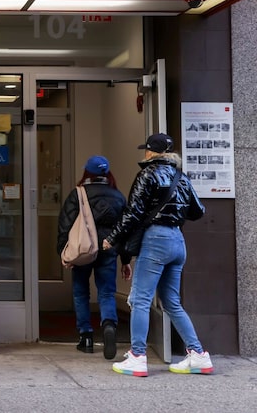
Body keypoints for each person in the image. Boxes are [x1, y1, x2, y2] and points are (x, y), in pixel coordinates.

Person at [102, 133, 209, 377]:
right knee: (171, 302)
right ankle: (198, 354)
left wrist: (112, 238)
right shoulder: (182, 177)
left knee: (140, 299)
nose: (145, 153)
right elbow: (198, 211)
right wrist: (175, 211)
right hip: (177, 241)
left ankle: (137, 356)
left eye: (146, 150)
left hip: (156, 240)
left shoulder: (148, 174)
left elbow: (133, 213)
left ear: (151, 152)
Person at [57, 155, 130, 360]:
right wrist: (125, 260)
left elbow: (65, 224)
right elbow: (125, 230)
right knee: (106, 292)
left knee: (81, 292)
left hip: (83, 250)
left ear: (87, 172)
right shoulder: (118, 196)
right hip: (109, 249)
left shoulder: (78, 194)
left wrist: (63, 252)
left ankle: (86, 337)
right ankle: (109, 325)